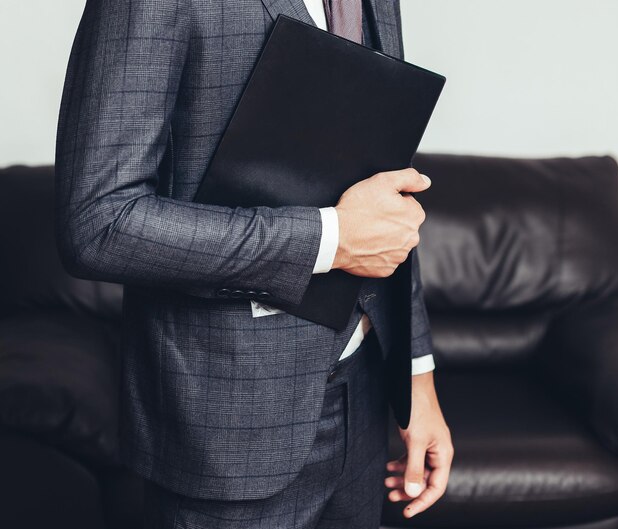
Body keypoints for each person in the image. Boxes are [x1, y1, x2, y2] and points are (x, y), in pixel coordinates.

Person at [55, 0, 453, 527]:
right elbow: (98, 222)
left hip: (364, 394)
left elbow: (385, 191)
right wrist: (326, 239)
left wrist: (417, 378)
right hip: (227, 421)